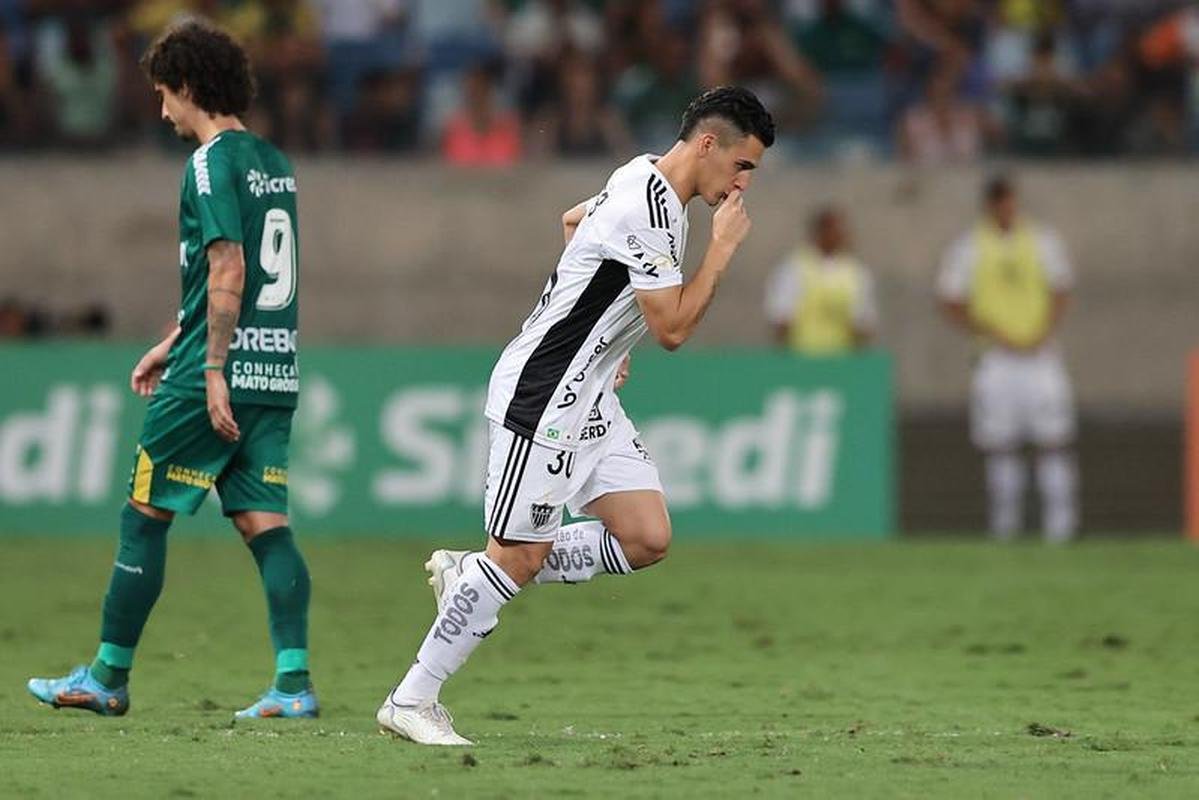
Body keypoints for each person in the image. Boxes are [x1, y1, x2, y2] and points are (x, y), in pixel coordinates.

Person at [376, 86, 775, 745]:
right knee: (522, 558)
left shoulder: (645, 179)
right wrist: (722, 249)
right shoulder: (645, 208)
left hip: (588, 395)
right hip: (540, 395)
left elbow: (571, 222)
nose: (741, 184)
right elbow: (672, 329)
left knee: (645, 536)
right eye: (742, 166)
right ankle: (411, 698)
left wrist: (605, 339)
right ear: (709, 144)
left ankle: (475, 573)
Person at [27, 20, 316, 719]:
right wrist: (178, 334)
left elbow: (230, 265)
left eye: (164, 95)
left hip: (212, 375)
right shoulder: (272, 161)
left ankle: (106, 676)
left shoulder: (211, 162)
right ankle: (292, 682)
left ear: (189, 86)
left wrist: (209, 364)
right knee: (264, 523)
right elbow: (239, 277)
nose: (161, 112)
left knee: (143, 517)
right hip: (273, 369)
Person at [937, 176, 1078, 542]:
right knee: (1001, 446)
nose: (1008, 210)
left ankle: (1060, 530)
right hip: (995, 358)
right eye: (1001, 203)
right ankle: (1005, 530)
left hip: (1039, 354)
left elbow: (1061, 289)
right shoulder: (968, 247)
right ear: (990, 206)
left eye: (1011, 203)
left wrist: (1043, 330)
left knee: (1053, 441)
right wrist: (991, 332)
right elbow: (951, 300)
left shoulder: (1042, 241)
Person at [764, 205, 878, 354]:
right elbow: (781, 319)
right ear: (819, 232)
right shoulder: (794, 268)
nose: (839, 234)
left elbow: (863, 322)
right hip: (802, 361)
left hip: (841, 364)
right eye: (833, 229)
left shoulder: (856, 273)